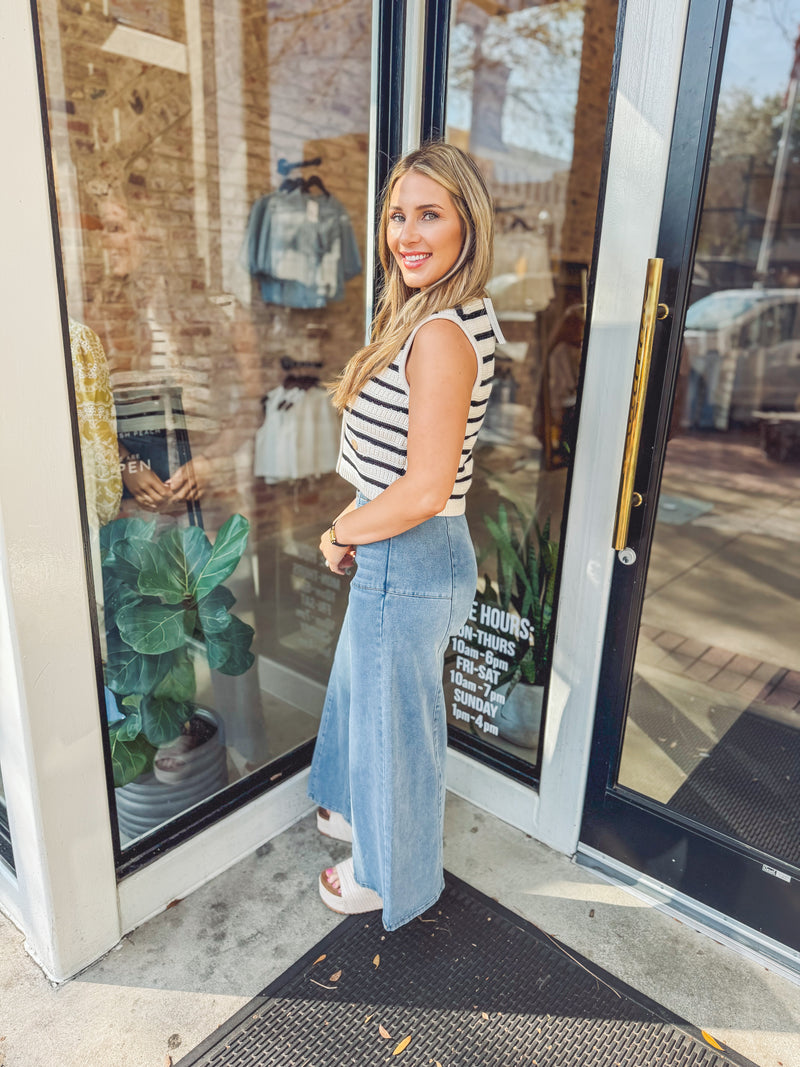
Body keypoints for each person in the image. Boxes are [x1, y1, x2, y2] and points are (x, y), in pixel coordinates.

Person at [308, 142, 505, 930]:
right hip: (402, 546)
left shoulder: (440, 335)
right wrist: (364, 520)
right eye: (398, 215)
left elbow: (424, 488)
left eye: (430, 214)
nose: (407, 234)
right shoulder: (444, 314)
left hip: (409, 549)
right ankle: (357, 811)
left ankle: (390, 877)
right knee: (364, 692)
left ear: (468, 224)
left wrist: (344, 526)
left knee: (397, 736)